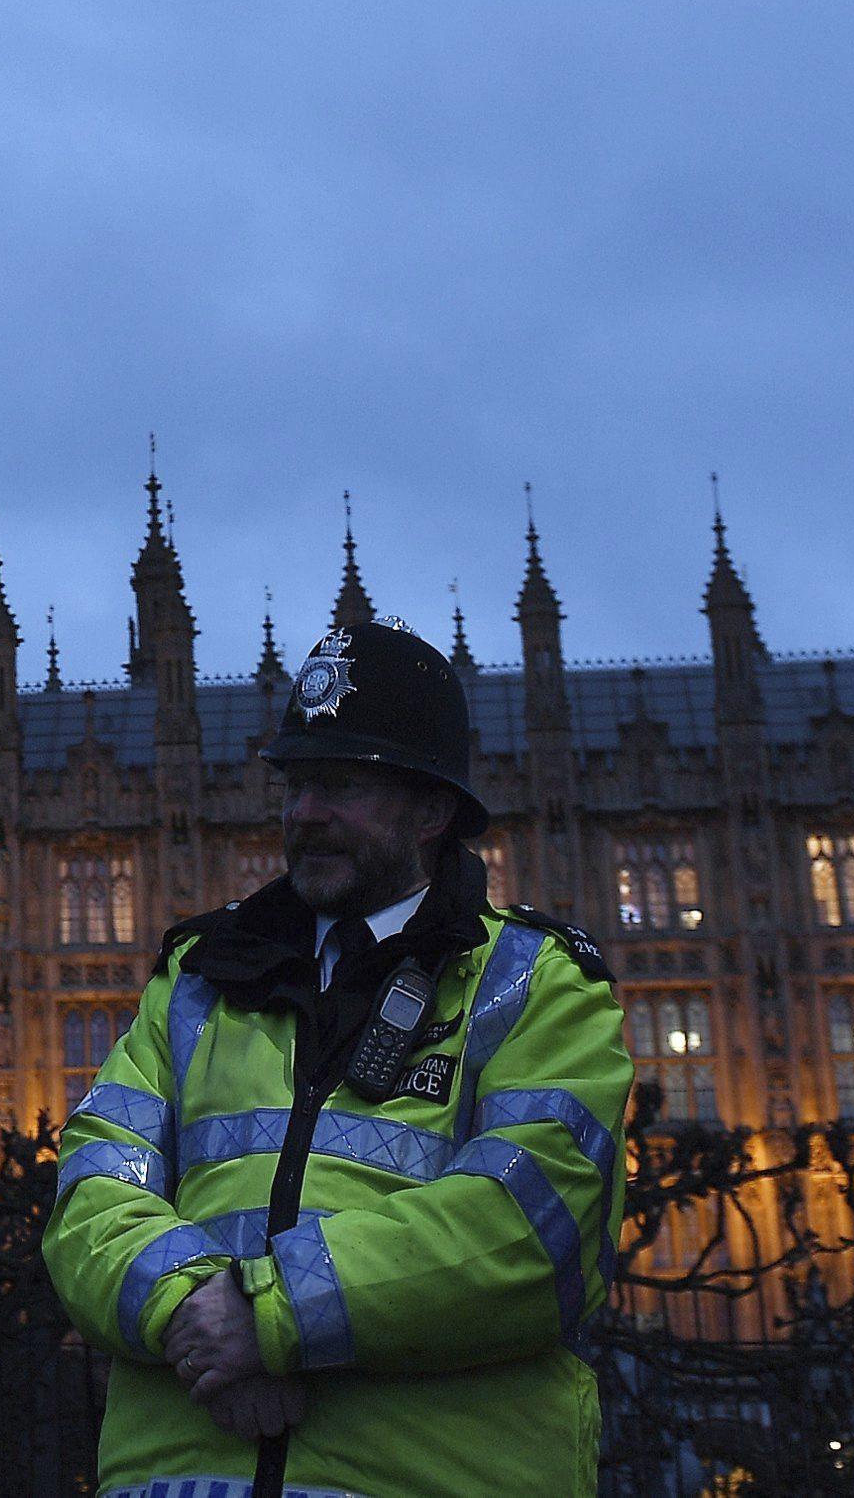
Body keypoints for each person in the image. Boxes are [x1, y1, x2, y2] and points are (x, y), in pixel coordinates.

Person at [43, 613, 627, 1498]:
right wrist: (187, 1306)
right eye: (297, 785)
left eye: (342, 787)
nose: (305, 815)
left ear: (431, 810)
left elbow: (532, 1224)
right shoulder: (198, 981)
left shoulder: (532, 981)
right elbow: (92, 1190)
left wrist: (268, 1318)